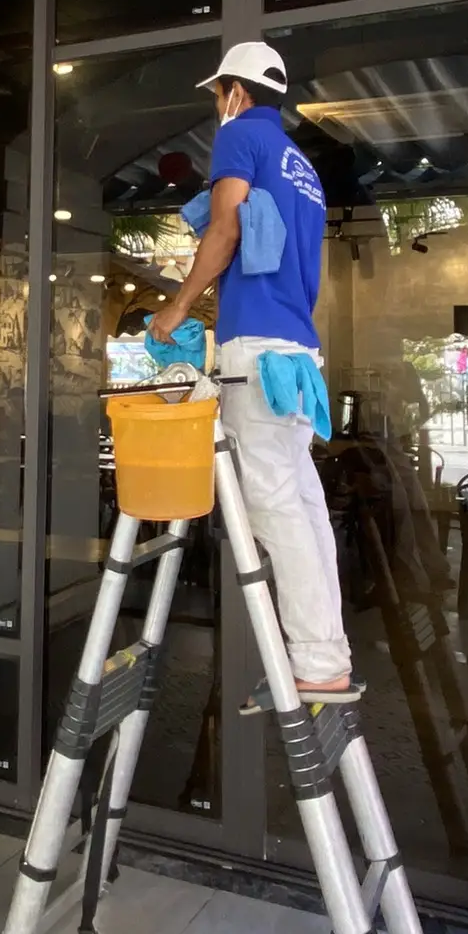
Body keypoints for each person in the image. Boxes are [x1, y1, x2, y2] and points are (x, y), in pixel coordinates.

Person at [148, 39, 354, 702]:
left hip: (259, 352)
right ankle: (328, 652)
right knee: (303, 505)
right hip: (297, 352)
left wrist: (178, 305)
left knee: (272, 503)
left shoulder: (240, 136)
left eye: (218, 95)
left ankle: (317, 663)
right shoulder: (301, 162)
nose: (218, 106)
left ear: (235, 92)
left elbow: (227, 230)